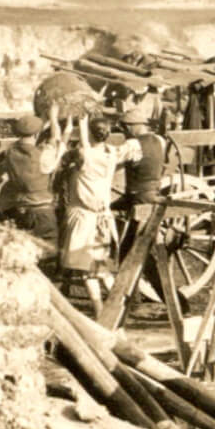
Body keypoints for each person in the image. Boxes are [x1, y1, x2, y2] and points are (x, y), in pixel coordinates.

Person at [58, 116, 139, 306]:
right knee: (100, 267)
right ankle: (119, 304)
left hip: (84, 218)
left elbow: (81, 151)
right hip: (103, 216)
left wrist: (79, 123)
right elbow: (131, 145)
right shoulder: (111, 154)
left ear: (88, 135)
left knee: (88, 271)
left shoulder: (85, 156)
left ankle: (100, 310)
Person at [3, 109, 63, 248]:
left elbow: (26, 139)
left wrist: (43, 123)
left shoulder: (10, 151)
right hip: (42, 211)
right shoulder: (41, 155)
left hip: (21, 208)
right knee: (48, 246)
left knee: (25, 247)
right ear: (36, 135)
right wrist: (54, 118)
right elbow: (56, 139)